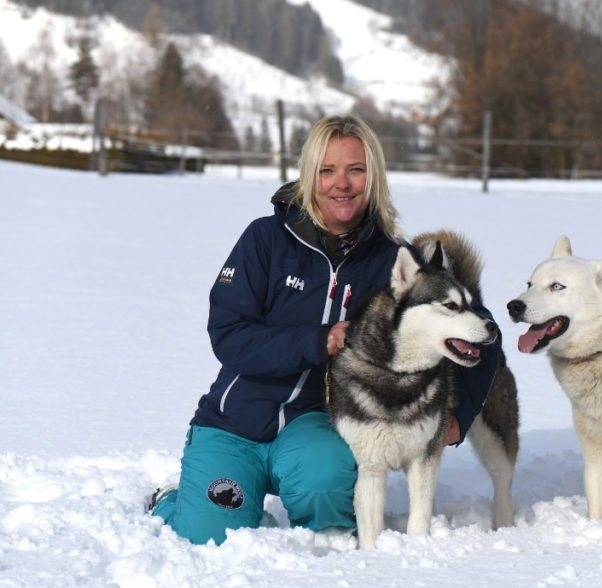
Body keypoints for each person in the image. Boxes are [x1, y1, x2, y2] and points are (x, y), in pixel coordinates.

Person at [149, 114, 499, 544]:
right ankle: (174, 500)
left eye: (356, 170)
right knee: (210, 539)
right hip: (233, 420)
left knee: (330, 526)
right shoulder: (265, 240)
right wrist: (320, 339)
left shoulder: (394, 261)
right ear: (309, 176)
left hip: (314, 424)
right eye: (327, 171)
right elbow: (229, 333)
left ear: (374, 178)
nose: (342, 184)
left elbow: (481, 330)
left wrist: (459, 418)